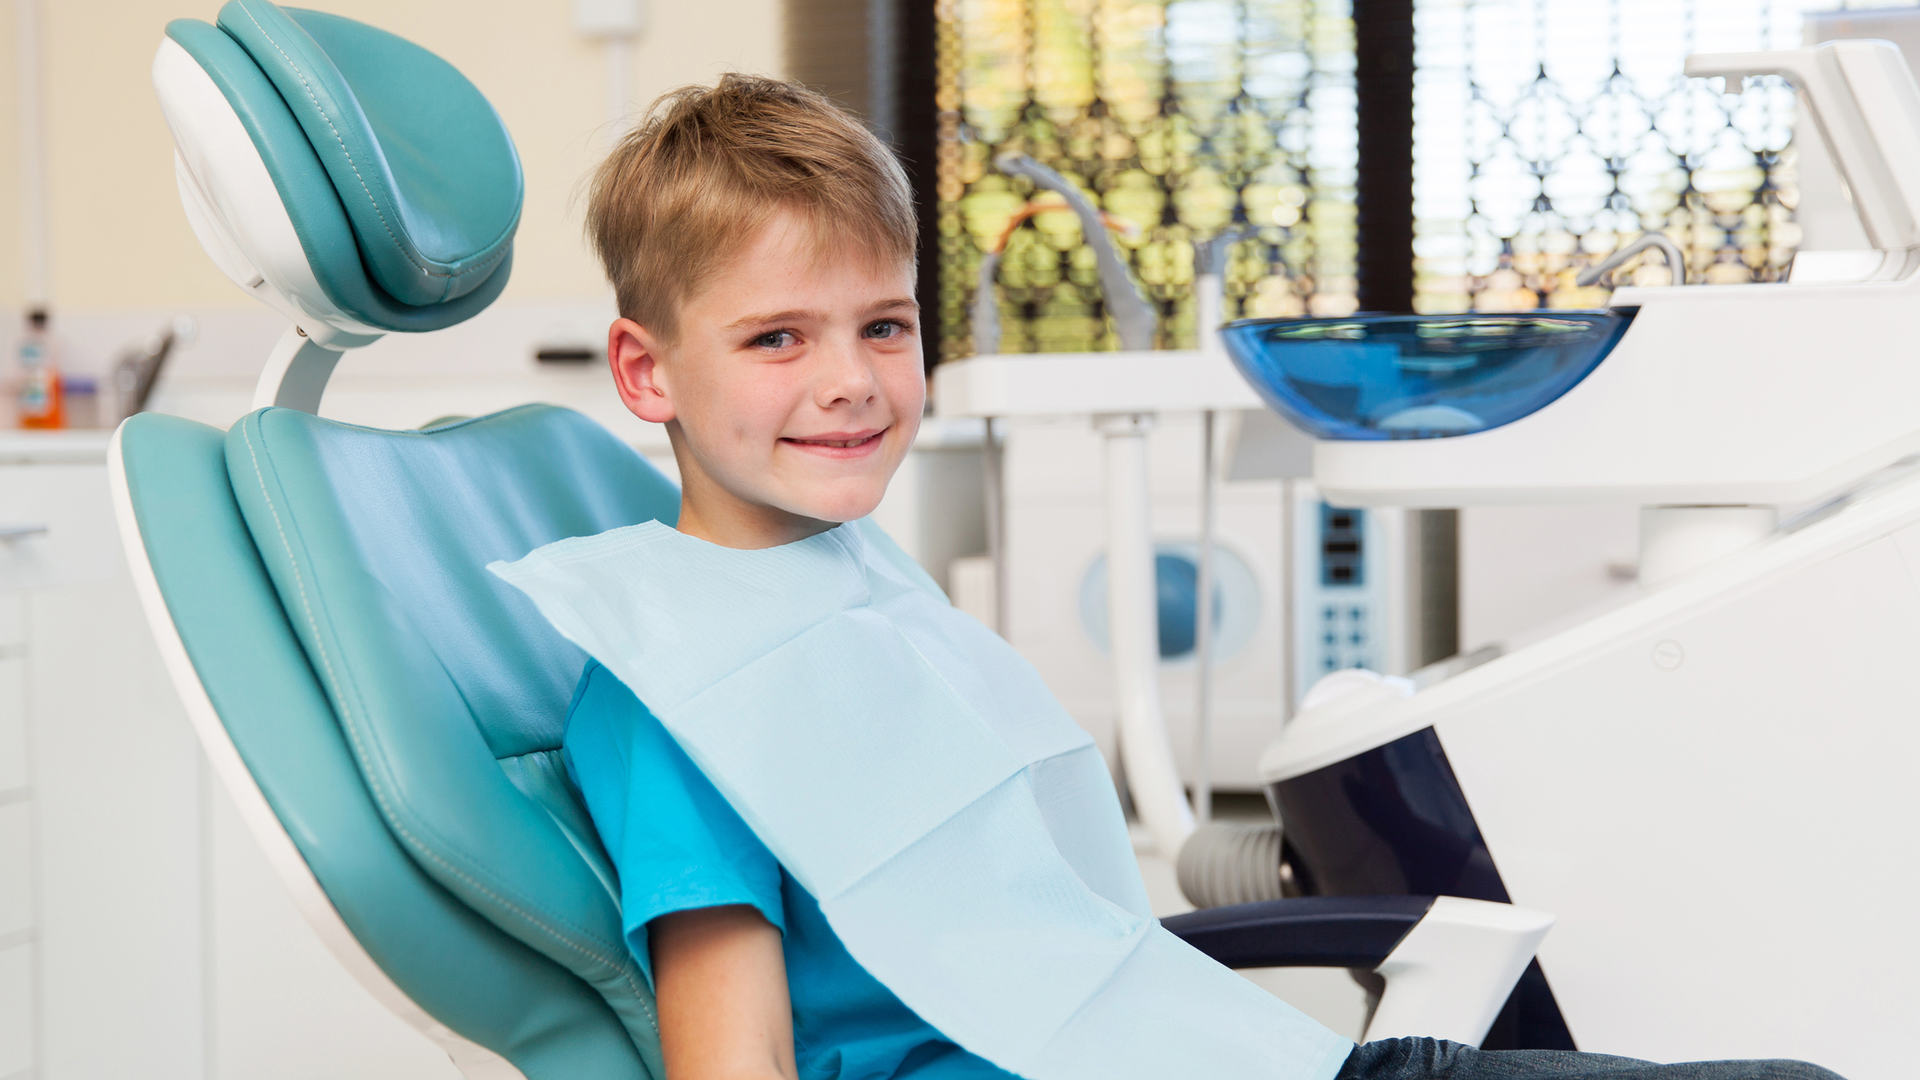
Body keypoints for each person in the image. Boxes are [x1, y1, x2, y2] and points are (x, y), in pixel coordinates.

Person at [551, 73, 1843, 1080]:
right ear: (647, 371)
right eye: (777, 337)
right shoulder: (675, 695)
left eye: (884, 327)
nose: (849, 378)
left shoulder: (862, 588)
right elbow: (736, 1059)